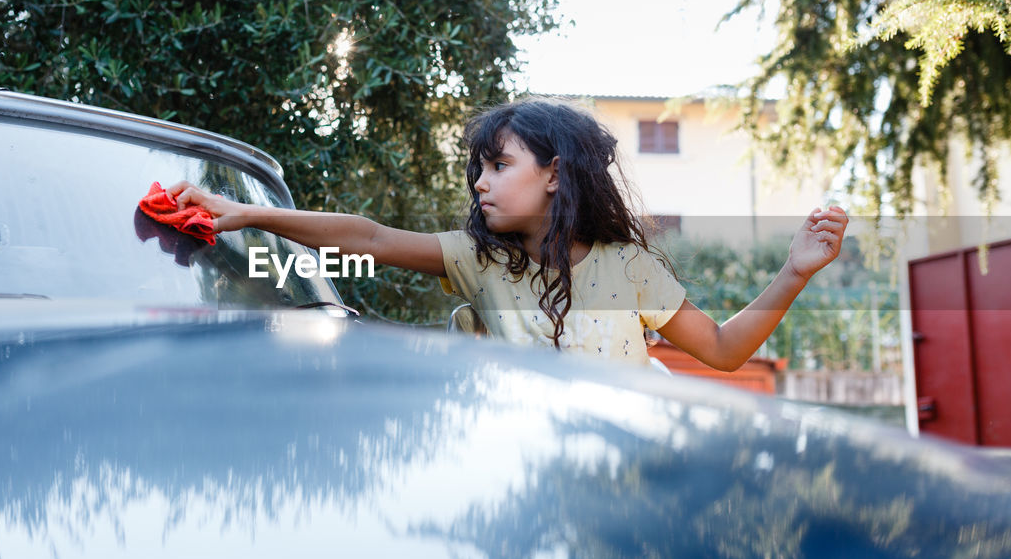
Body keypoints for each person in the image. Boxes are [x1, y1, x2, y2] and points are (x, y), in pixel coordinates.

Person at [167, 98, 847, 370]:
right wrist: (247, 212)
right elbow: (370, 238)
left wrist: (795, 271)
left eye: (498, 165)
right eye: (478, 169)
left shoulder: (629, 267)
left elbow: (725, 350)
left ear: (555, 173)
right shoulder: (476, 260)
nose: (480, 183)